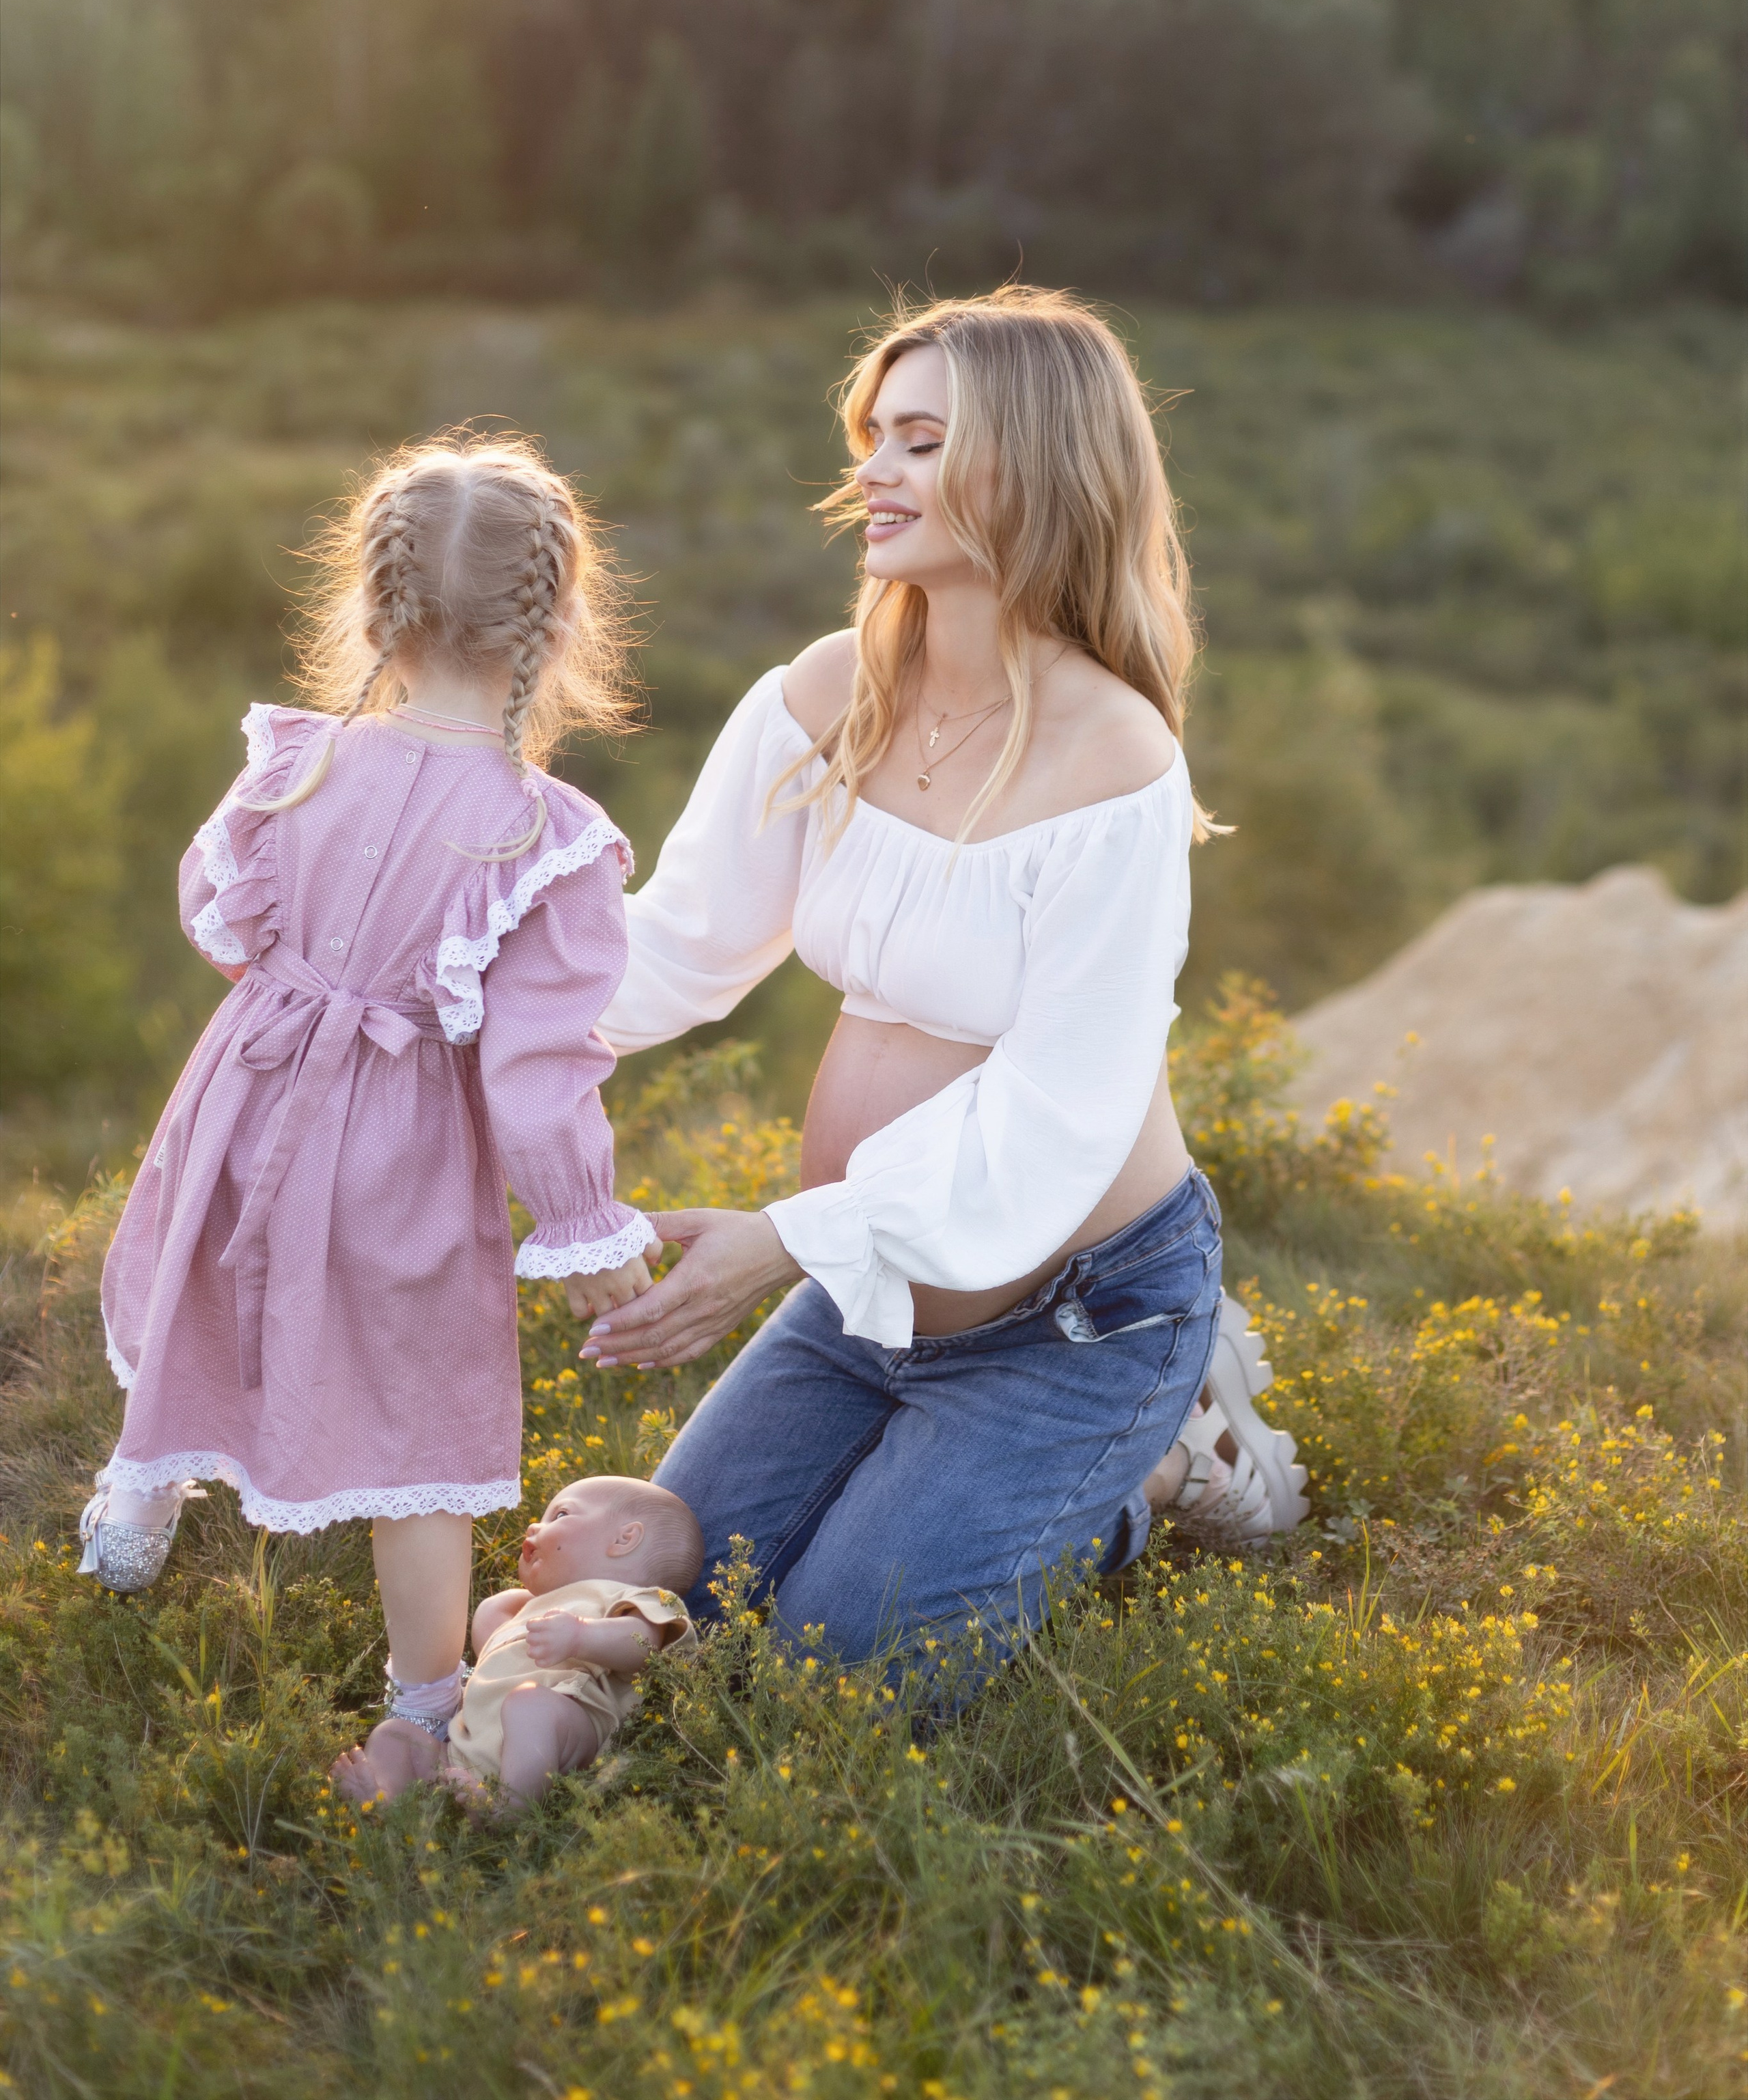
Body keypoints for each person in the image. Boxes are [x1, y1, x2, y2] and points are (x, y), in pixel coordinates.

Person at [584, 288, 1308, 1670]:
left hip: (1077, 1312)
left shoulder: (1113, 761)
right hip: (871, 1286)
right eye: (874, 436)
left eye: (917, 442)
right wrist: (445, 1002)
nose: (869, 471)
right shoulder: (818, 697)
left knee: (828, 1674)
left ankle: (1154, 1463)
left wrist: (786, 1237)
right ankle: (998, 1483)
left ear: (1028, 469)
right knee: (672, 1590)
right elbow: (672, 945)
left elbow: (1057, 1109)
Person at [82, 434, 665, 1769]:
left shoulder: (294, 762)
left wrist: (305, 990)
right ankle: (417, 1705)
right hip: (397, 1145)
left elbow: (210, 914)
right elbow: (536, 1069)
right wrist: (583, 1218)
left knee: (207, 1275)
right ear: (562, 619)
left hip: (246, 1083)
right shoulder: (541, 836)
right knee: (422, 1400)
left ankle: (142, 1481)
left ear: (368, 609)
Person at [332, 1475, 702, 1815]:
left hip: (560, 1731)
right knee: (394, 1734)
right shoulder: (542, 1606)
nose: (534, 1526)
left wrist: (581, 1636)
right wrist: (502, 1612)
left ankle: (508, 1809)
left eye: (560, 1514)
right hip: (460, 1754)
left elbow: (643, 1645)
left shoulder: (636, 1598)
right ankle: (385, 1801)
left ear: (624, 1539)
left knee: (529, 1704)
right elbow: (498, 1652)